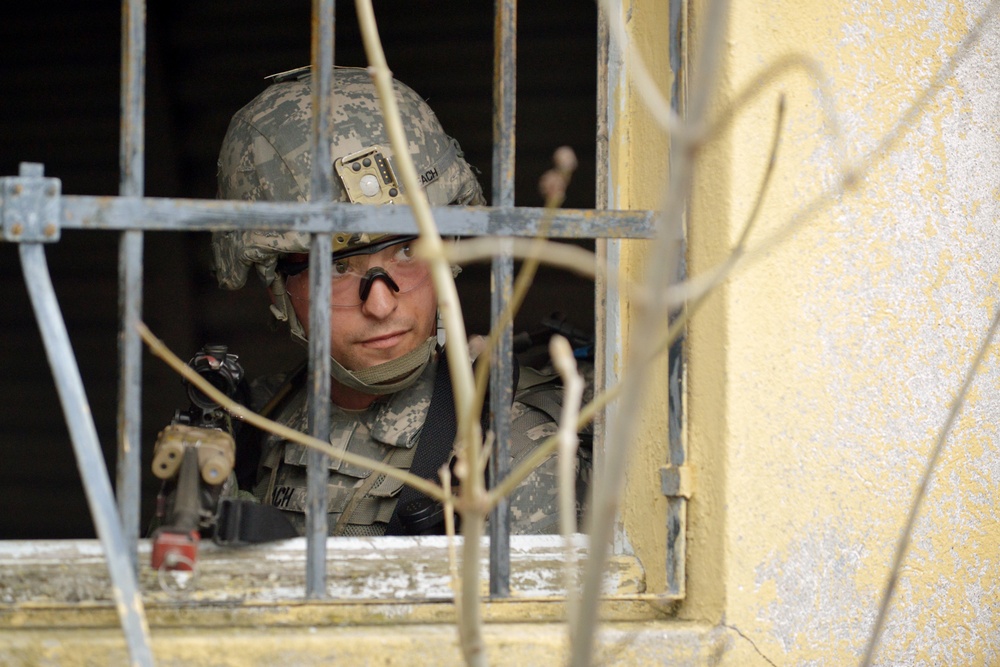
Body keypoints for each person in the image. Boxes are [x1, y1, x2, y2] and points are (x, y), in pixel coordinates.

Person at [211, 66, 590, 537]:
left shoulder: (513, 445)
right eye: (335, 266)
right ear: (276, 287)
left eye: (408, 251)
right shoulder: (246, 429)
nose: (381, 305)